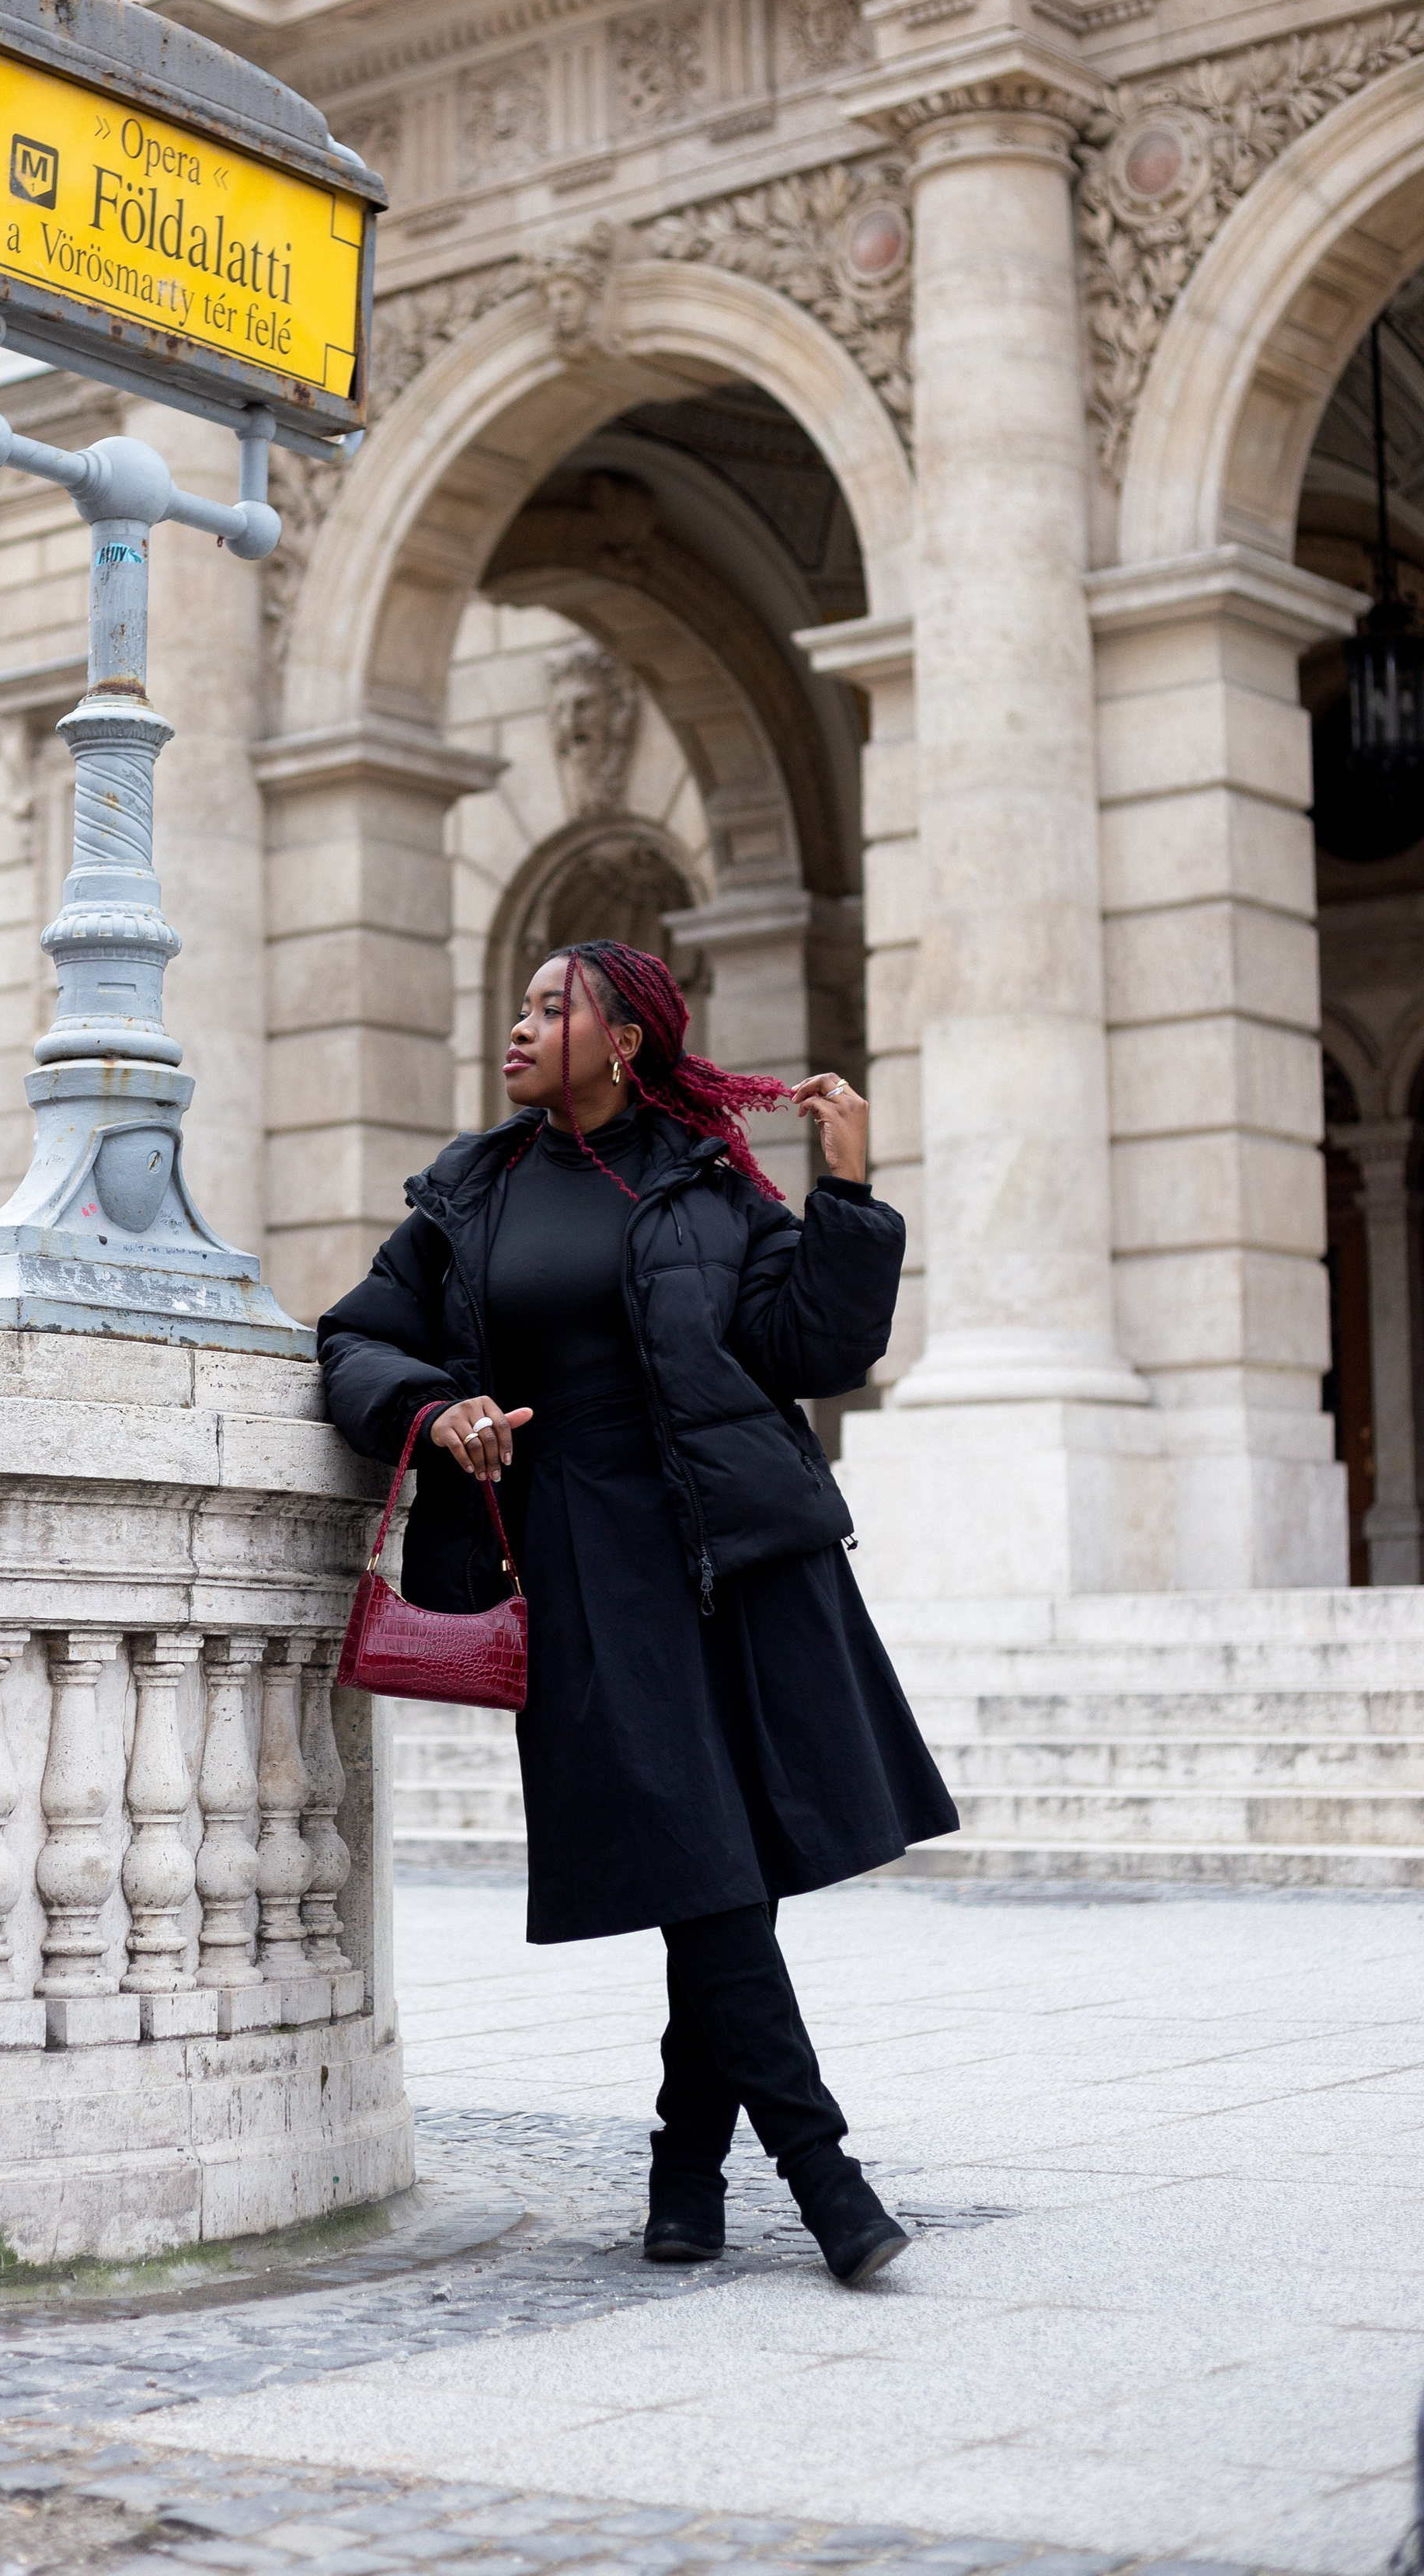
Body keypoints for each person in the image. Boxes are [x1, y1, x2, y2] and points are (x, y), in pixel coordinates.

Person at [318, 939, 959, 2286]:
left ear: (623, 1041)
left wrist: (845, 1197)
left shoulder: (710, 1179)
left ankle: (687, 2171)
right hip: (579, 1559)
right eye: (526, 1002)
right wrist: (437, 1411)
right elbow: (356, 1337)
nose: (521, 1021)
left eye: (555, 1006)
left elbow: (812, 1350)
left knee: (718, 1871)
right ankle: (824, 2176)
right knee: (697, 1858)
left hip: (738, 1552)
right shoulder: (469, 1190)